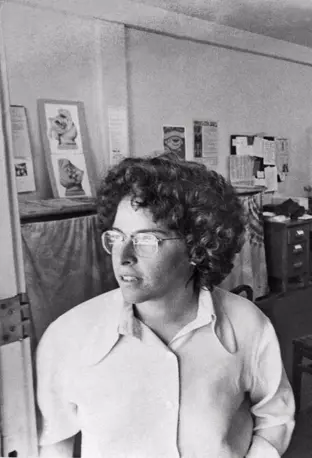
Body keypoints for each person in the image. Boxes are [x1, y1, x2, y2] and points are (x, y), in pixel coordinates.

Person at [36, 153, 295, 457]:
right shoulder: (67, 336)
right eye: (117, 237)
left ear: (198, 248)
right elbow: (52, 442)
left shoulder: (247, 324)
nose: (123, 256)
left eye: (146, 240)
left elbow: (275, 416)